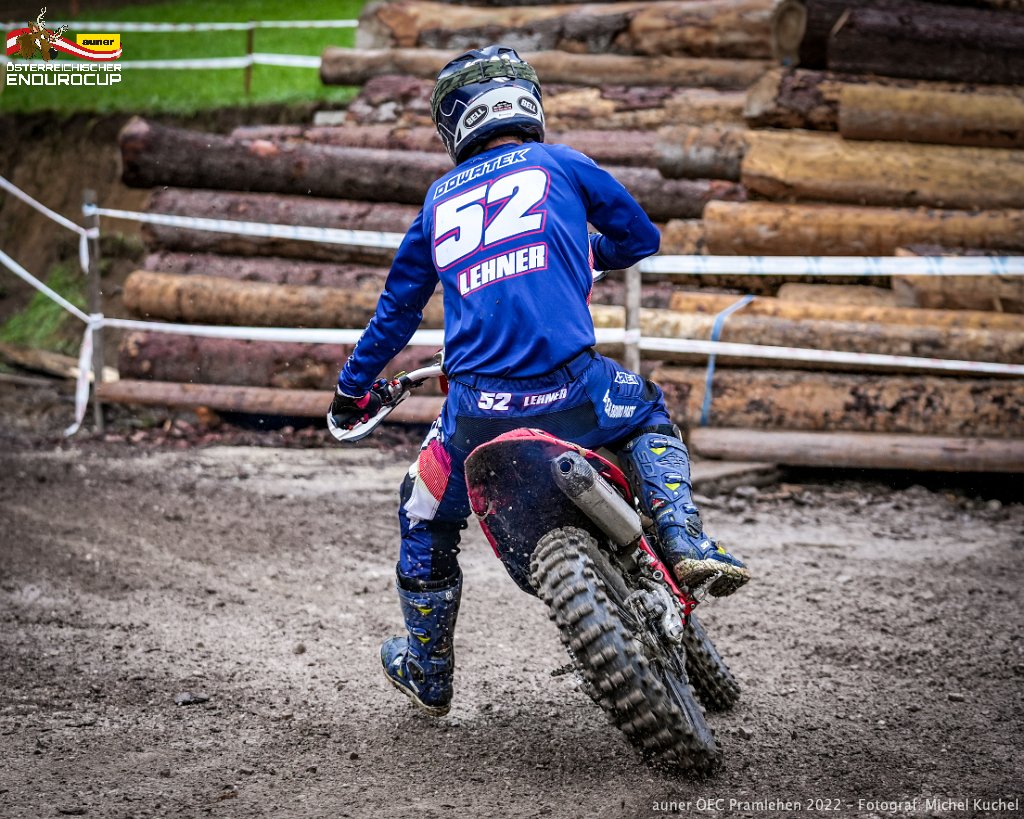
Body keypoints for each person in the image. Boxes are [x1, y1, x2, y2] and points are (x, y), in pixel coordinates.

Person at [329, 45, 750, 717]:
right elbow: (640, 238)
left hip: (475, 415)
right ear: (525, 101)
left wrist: (351, 391)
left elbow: (394, 315)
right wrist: (585, 252)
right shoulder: (562, 164)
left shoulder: (437, 202)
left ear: (454, 121)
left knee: (421, 510)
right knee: (647, 410)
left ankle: (428, 668)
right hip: (576, 392)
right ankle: (685, 537)